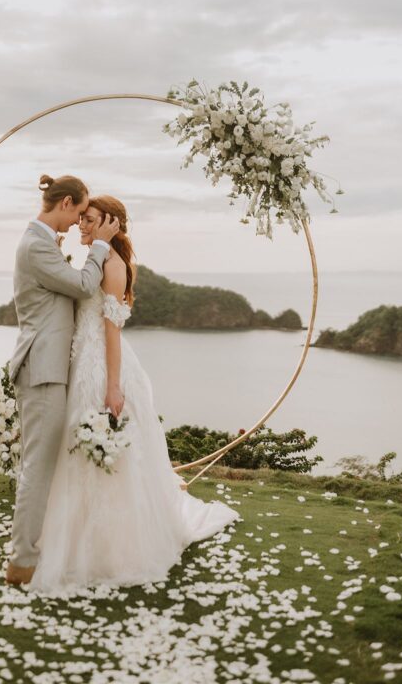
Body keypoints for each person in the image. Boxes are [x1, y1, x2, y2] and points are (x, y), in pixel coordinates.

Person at [26, 194, 241, 595]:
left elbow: (111, 330)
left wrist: (112, 385)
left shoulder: (114, 266)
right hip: (79, 362)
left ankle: (113, 548)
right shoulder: (91, 260)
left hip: (102, 367)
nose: (82, 226)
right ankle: (72, 535)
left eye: (89, 220)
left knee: (111, 454)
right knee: (76, 450)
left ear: (111, 223)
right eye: (82, 218)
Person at [5, 174, 120, 586]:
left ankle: (35, 549)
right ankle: (22, 562)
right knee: (37, 467)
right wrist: (102, 245)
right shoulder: (36, 244)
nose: (77, 226)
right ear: (67, 203)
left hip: (53, 366)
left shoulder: (41, 242)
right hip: (42, 368)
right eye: (79, 215)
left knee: (42, 464)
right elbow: (83, 283)